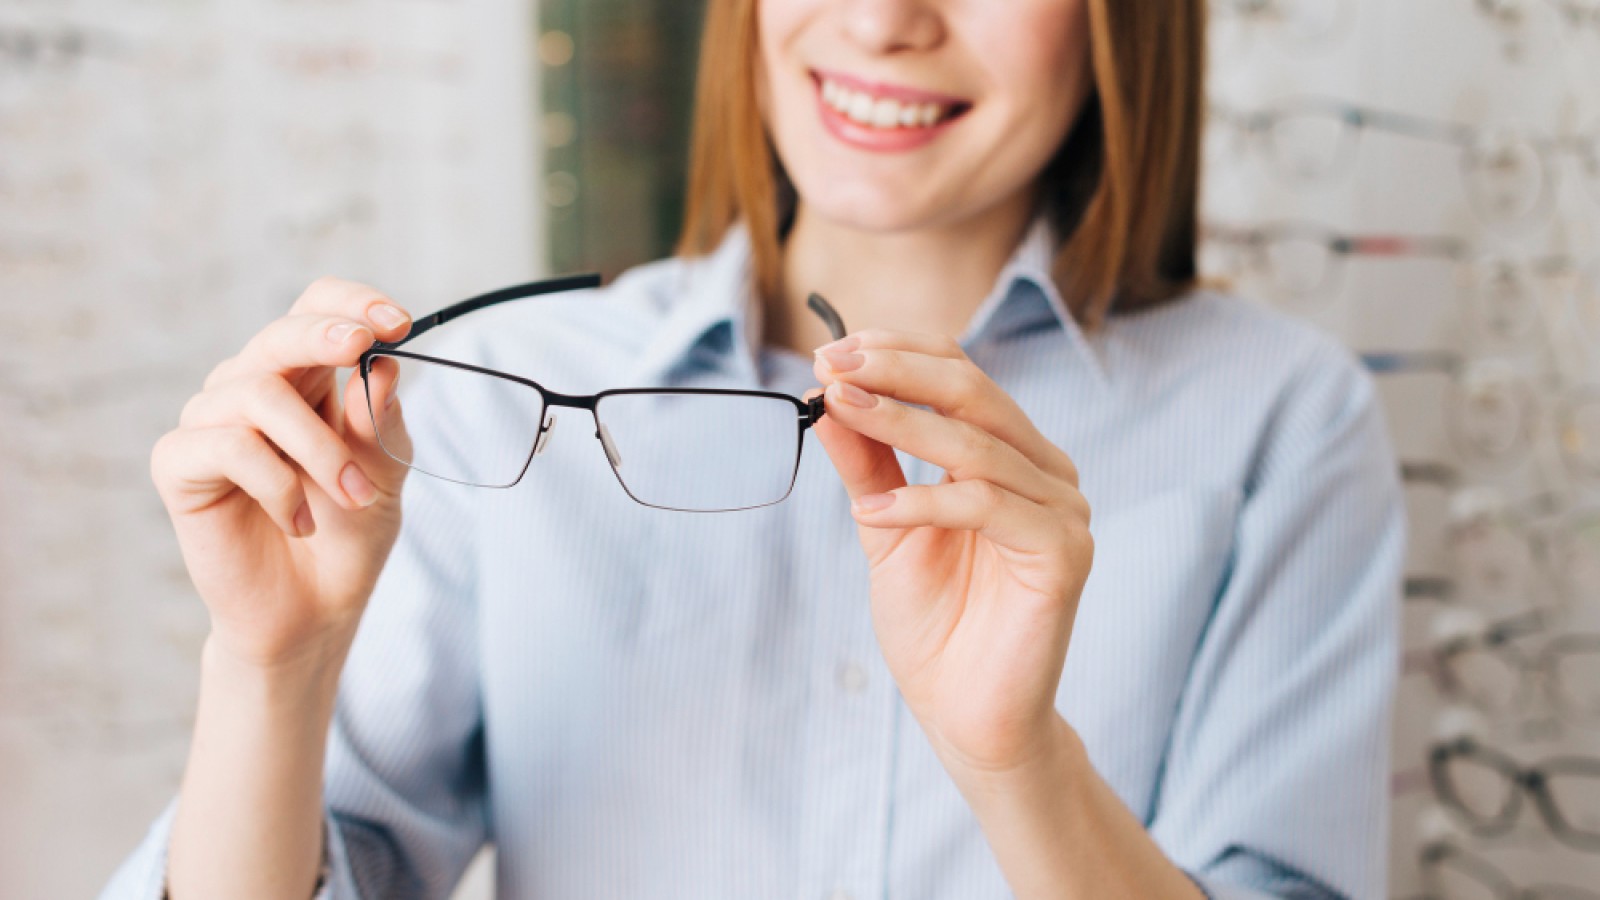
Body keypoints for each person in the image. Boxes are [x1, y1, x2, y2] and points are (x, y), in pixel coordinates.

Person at [103, 0, 1404, 897]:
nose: (887, 19)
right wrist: (268, 668)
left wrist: (1020, 762)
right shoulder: (505, 404)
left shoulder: (1283, 417)